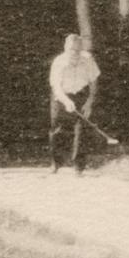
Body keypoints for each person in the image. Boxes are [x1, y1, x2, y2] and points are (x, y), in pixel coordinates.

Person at [48, 33, 100, 173]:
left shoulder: (88, 60)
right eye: (71, 49)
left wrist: (89, 102)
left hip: (81, 94)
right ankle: (56, 163)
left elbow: (93, 83)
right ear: (66, 48)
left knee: (81, 130)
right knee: (57, 131)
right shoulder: (58, 62)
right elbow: (56, 87)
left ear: (81, 49)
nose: (74, 53)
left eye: (77, 50)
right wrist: (66, 102)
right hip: (61, 96)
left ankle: (78, 166)